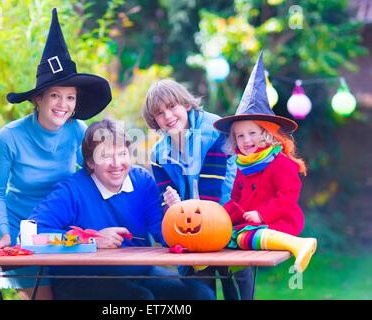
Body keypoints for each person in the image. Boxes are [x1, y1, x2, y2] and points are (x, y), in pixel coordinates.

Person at [0, 8, 112, 300]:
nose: (63, 105)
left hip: (64, 231)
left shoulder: (79, 130)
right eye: (55, 95)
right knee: (45, 297)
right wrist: (5, 233)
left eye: (70, 97)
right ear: (38, 98)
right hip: (21, 233)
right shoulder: (9, 138)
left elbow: (93, 179)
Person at [29, 119, 215, 300]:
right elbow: (33, 235)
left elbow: (162, 233)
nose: (117, 163)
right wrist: (90, 239)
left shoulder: (142, 181)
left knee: (200, 294)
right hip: (80, 278)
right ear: (90, 162)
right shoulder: (70, 191)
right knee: (140, 298)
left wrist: (176, 218)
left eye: (122, 154)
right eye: (106, 156)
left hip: (139, 273)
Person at [142, 79, 255, 300]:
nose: (168, 116)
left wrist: (195, 218)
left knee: (232, 273)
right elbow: (165, 194)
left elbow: (212, 187)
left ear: (185, 104)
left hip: (226, 208)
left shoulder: (215, 130)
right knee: (201, 285)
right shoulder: (159, 153)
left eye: (172, 107)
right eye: (159, 113)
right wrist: (172, 204)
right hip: (193, 222)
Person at [213, 51, 317, 275]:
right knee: (230, 236)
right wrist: (220, 218)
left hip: (280, 221)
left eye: (252, 133)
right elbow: (237, 200)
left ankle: (300, 244)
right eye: (240, 136)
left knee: (244, 237)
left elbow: (287, 197)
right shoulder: (243, 165)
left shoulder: (279, 162)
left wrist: (262, 215)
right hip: (253, 222)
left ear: (266, 134)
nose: (246, 140)